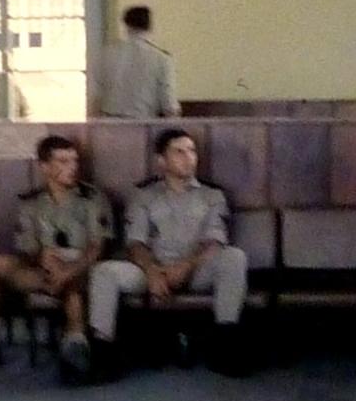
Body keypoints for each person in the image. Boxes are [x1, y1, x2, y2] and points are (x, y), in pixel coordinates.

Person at [88, 129, 248, 376]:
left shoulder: (212, 195)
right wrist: (152, 271)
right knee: (104, 272)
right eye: (179, 152)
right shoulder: (143, 195)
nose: (189, 158)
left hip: (196, 270)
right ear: (161, 161)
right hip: (151, 272)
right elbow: (135, 243)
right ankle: (102, 352)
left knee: (234, 257)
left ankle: (226, 346)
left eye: (192, 151)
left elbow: (214, 241)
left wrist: (186, 266)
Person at [0, 134, 113, 379]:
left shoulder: (92, 198)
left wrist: (67, 271)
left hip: (81, 268)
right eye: (63, 161)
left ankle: (75, 350)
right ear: (44, 166)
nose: (72, 167)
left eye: (74, 161)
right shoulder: (32, 203)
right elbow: (27, 248)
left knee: (73, 288)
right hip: (43, 268)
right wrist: (43, 258)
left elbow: (97, 247)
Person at [91, 5, 180, 119]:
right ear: (150, 26)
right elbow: (169, 104)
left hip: (109, 121)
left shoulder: (106, 54)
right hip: (143, 122)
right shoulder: (161, 58)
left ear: (125, 24)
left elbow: (96, 95)